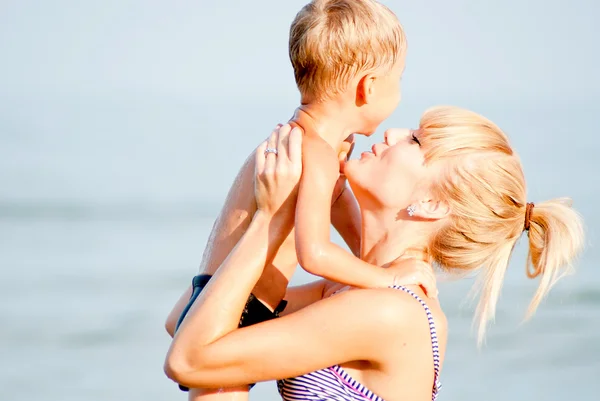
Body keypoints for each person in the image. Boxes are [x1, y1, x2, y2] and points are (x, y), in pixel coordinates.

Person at [164, 109, 584, 400]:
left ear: (433, 205)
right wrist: (288, 202)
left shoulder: (390, 311)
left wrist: (269, 220)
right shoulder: (351, 289)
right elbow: (190, 319)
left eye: (415, 140)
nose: (391, 134)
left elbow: (189, 360)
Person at [165, 1, 436, 399]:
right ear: (369, 87)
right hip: (239, 311)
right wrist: (388, 279)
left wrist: (374, 259)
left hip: (208, 297)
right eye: (400, 78)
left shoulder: (301, 143)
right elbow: (315, 254)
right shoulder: (317, 155)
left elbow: (338, 202)